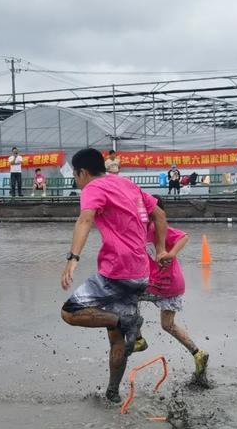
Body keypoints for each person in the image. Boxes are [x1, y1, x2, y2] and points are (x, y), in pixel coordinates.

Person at [60, 148, 169, 403]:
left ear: (82, 172)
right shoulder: (126, 184)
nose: (77, 183)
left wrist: (73, 259)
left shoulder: (92, 188)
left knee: (70, 312)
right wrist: (161, 249)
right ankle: (112, 393)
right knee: (115, 334)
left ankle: (127, 322)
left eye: (75, 177)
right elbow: (160, 214)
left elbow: (85, 220)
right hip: (140, 272)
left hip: (117, 271)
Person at [133, 196, 209, 378]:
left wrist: (171, 253)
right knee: (168, 325)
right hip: (165, 284)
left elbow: (184, 236)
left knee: (127, 296)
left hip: (164, 284)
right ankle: (197, 353)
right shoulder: (141, 231)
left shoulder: (157, 229)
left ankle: (138, 339)